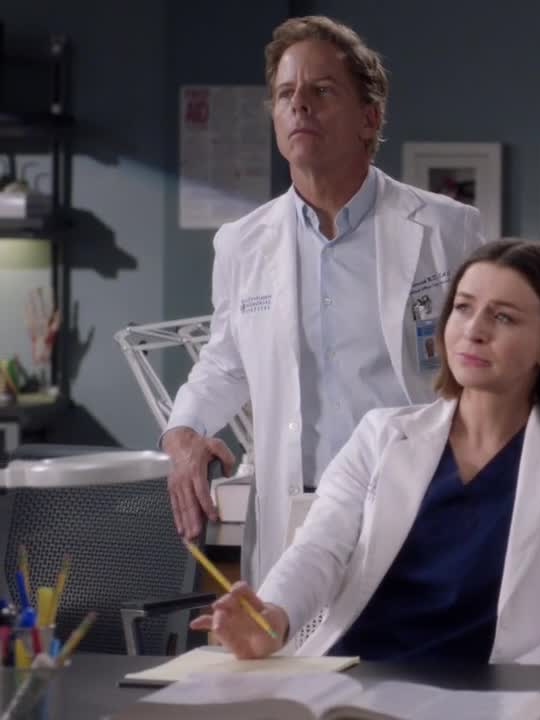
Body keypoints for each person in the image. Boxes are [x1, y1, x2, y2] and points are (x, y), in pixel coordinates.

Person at [192, 241, 540, 666]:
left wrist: (521, 685)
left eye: (503, 317)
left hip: (494, 694)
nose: (474, 330)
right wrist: (272, 616)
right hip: (355, 680)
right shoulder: (381, 436)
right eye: (463, 308)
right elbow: (319, 550)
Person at [162, 16, 485, 585]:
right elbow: (226, 362)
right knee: (294, 643)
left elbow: (488, 366)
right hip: (299, 511)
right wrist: (183, 431)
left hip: (415, 501)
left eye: (322, 90)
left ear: (370, 118)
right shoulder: (242, 244)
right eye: (286, 93)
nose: (299, 105)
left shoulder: (446, 230)